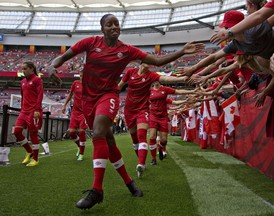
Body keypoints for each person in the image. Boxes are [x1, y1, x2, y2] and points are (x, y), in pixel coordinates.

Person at [47, 13, 205, 210]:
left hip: (108, 95)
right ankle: (130, 182)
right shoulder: (89, 42)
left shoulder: (127, 50)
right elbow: (62, 57)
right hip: (88, 99)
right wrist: (52, 67)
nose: (114, 27)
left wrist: (182, 51)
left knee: (98, 134)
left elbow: (157, 61)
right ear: (102, 28)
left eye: (116, 24)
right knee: (109, 141)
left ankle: (97, 190)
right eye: (109, 24)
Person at [118, 63, 198, 177]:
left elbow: (168, 79)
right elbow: (119, 86)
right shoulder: (130, 72)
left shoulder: (153, 77)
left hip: (147, 112)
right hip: (130, 111)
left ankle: (142, 162)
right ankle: (144, 161)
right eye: (146, 60)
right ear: (141, 62)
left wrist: (184, 78)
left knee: (147, 136)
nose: (149, 63)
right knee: (136, 139)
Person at [149, 81, 193, 165]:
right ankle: (153, 159)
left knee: (164, 140)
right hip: (153, 116)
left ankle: (160, 148)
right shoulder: (149, 91)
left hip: (163, 117)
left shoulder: (164, 90)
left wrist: (186, 100)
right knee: (152, 136)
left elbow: (175, 101)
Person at [13, 62, 43, 167]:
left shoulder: (37, 80)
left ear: (31, 69)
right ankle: (29, 151)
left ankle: (35, 159)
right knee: (17, 132)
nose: (23, 71)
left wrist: (37, 110)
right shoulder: (22, 82)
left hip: (33, 111)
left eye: (25, 69)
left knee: (33, 134)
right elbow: (23, 96)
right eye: (22, 69)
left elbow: (40, 95)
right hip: (24, 111)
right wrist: (22, 109)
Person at [61, 71, 87, 161]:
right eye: (80, 76)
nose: (81, 77)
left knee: (82, 132)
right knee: (71, 132)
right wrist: (64, 105)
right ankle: (80, 147)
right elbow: (70, 95)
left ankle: (81, 154)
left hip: (84, 113)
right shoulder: (75, 83)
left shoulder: (90, 86)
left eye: (83, 76)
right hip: (75, 112)